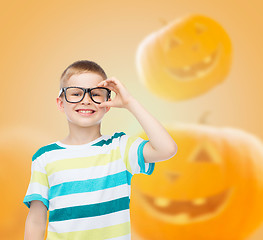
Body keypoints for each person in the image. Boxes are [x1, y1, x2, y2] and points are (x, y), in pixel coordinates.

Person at [23, 60, 177, 240]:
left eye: (95, 94)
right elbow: (36, 220)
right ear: (60, 103)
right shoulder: (45, 157)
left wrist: (129, 102)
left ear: (107, 103)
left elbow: (167, 149)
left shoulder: (120, 148)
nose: (86, 100)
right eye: (76, 93)